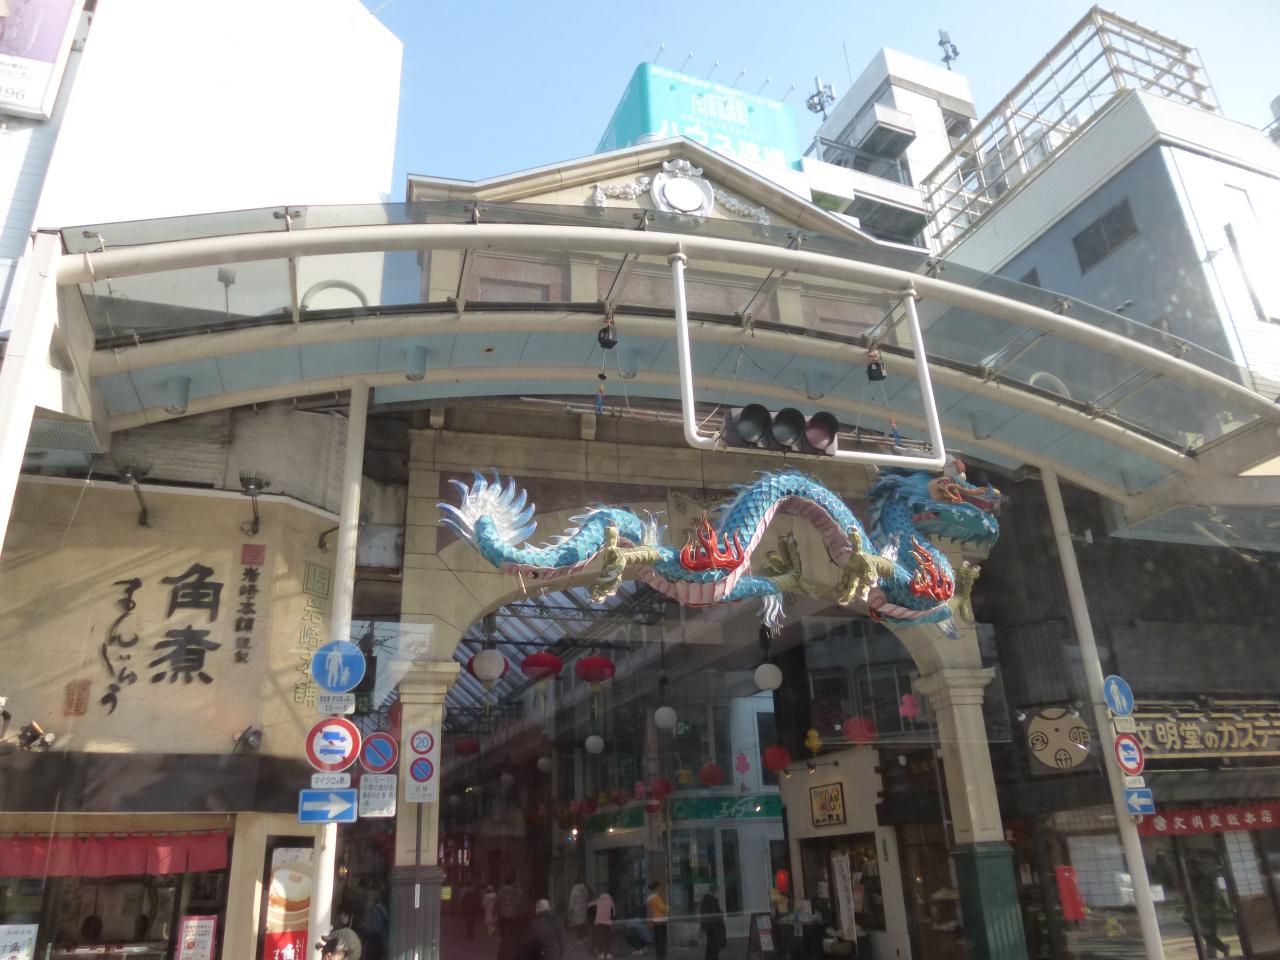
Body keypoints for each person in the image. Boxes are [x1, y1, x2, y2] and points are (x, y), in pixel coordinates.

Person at [1188, 858, 1230, 958]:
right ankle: (1213, 953)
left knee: (1208, 934)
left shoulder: (1203, 879)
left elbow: (1212, 894)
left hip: (1208, 910)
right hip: (1206, 910)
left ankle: (1221, 949)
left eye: (1190, 868)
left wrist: (1209, 904)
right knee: (1209, 934)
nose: (1189, 870)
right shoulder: (1197, 879)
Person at [497, 875, 529, 960]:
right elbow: (519, 901)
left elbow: (498, 901)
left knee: (503, 927)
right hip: (513, 914)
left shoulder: (501, 890)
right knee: (512, 928)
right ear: (512, 882)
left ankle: (503, 941)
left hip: (502, 914)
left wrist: (496, 911)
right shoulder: (515, 890)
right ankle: (510, 941)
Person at [588, 890, 616, 960]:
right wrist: (612, 917)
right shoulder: (610, 902)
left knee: (599, 938)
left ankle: (601, 953)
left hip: (598, 923)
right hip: (607, 923)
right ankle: (609, 953)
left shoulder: (599, 901)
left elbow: (589, 905)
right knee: (608, 938)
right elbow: (614, 912)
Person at [700, 886, 726, 960]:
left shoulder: (706, 900)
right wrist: (720, 914)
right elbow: (713, 914)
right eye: (717, 892)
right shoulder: (712, 901)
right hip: (714, 928)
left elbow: (706, 913)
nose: (718, 894)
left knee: (710, 945)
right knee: (714, 946)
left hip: (710, 928)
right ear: (714, 892)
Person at [361, 890, 389, 960]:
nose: (366, 902)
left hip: (373, 944)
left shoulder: (375, 910)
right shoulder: (382, 909)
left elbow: (374, 929)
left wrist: (364, 934)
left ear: (373, 900)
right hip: (381, 943)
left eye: (367, 899)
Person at [646, 882, 668, 960]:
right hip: (661, 920)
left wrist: (650, 921)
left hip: (655, 920)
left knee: (658, 939)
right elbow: (664, 909)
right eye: (659, 888)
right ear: (657, 888)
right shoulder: (657, 898)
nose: (660, 889)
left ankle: (659, 955)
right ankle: (662, 955)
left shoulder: (649, 899)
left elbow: (650, 911)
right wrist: (666, 903)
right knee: (662, 939)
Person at [567, 878, 591, 943]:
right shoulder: (585, 889)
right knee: (582, 923)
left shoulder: (574, 890)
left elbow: (571, 901)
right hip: (584, 909)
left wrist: (569, 910)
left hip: (576, 909)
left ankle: (580, 939)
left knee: (578, 924)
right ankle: (584, 938)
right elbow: (587, 898)